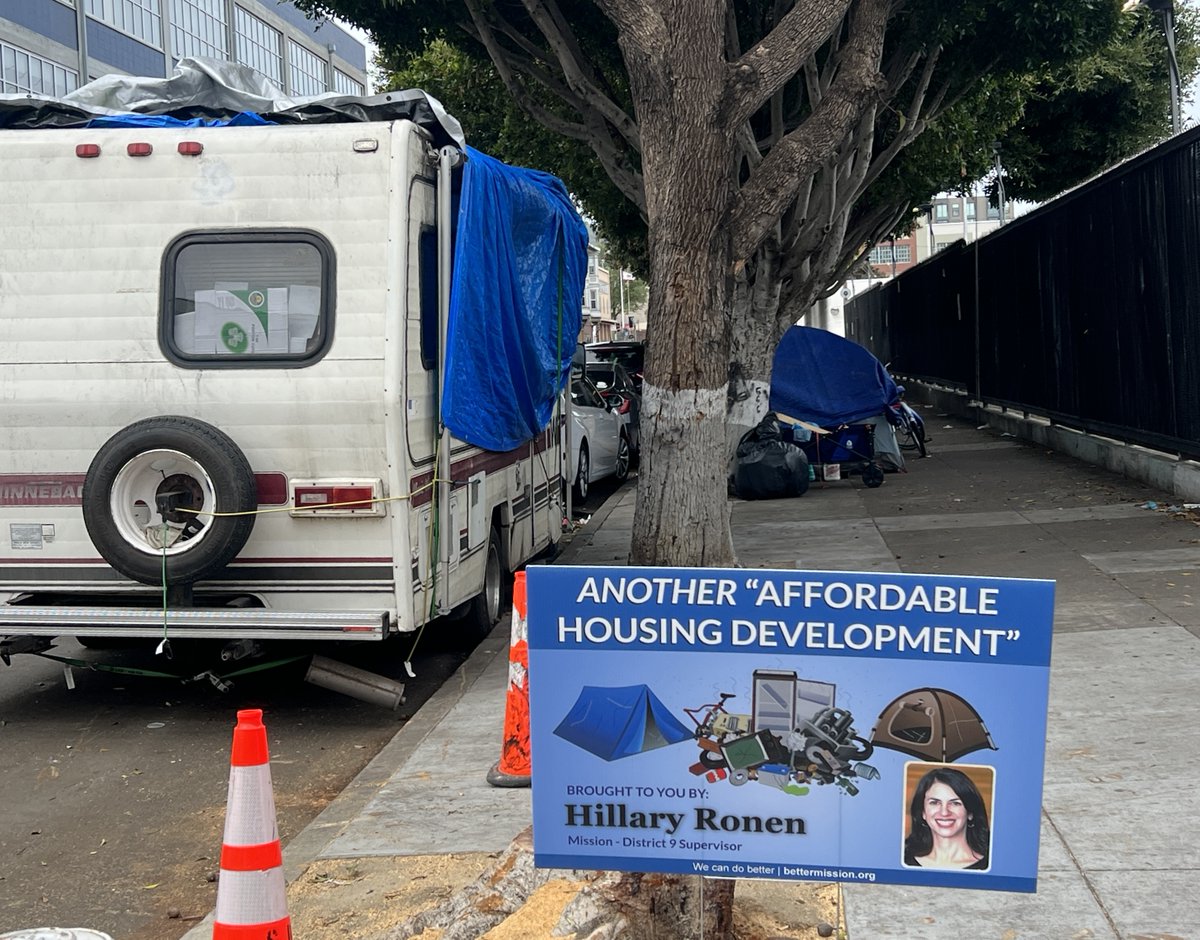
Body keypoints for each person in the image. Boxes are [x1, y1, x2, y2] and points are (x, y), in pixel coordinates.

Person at [903, 766, 990, 870]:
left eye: (955, 803)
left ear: (970, 812)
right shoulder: (904, 861)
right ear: (923, 812)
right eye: (934, 802)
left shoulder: (989, 865)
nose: (944, 812)